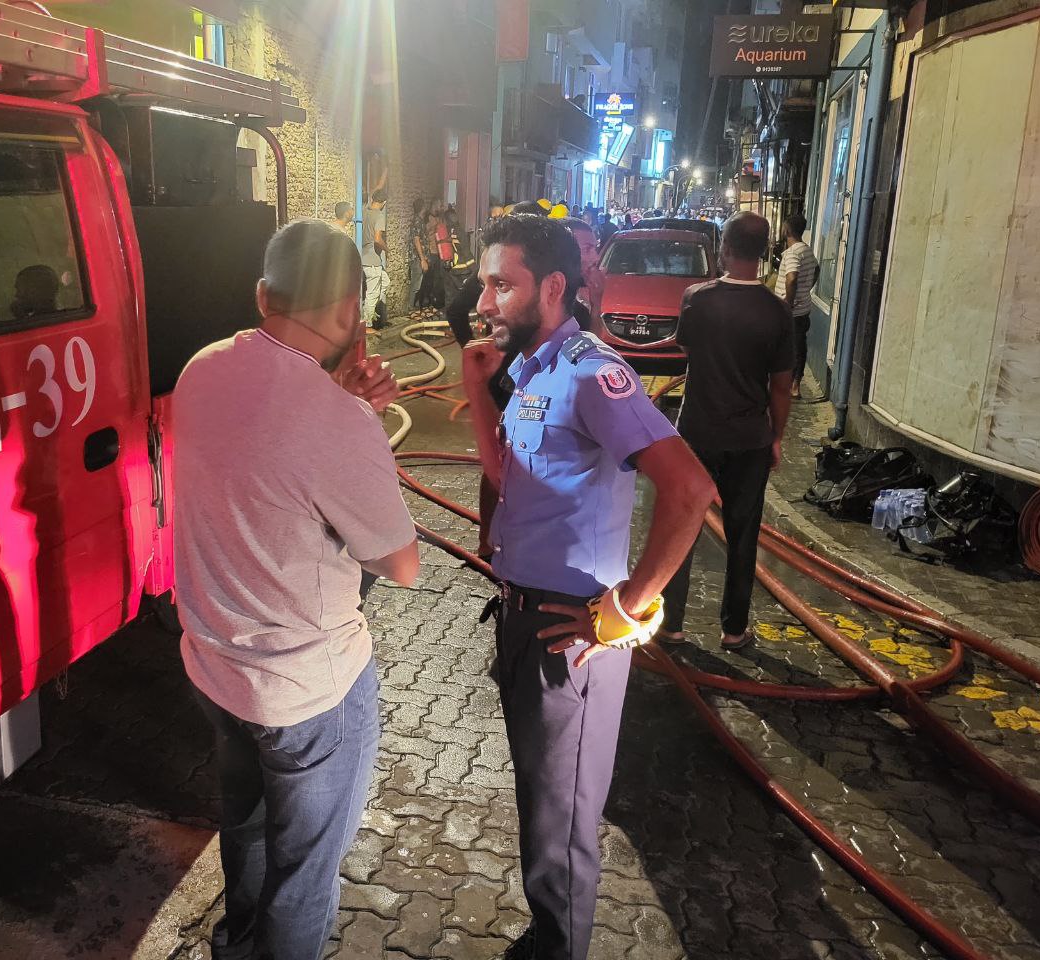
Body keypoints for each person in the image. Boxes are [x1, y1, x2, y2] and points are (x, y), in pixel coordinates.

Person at [462, 214, 715, 960]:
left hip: (568, 634)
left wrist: (625, 610)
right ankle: (547, 936)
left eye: (499, 285)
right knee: (543, 810)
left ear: (551, 287)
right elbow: (509, 478)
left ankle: (560, 947)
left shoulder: (593, 372)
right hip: (519, 618)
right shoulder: (534, 370)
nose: (484, 302)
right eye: (483, 284)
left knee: (562, 826)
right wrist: (477, 389)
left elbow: (690, 491)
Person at [174, 219, 420, 960]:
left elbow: (268, 459)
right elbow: (400, 563)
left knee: (245, 832)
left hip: (215, 667)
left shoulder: (200, 370)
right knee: (305, 877)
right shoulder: (336, 419)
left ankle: (234, 949)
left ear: (262, 295)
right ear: (351, 309)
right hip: (307, 692)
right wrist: (357, 421)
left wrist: (346, 407)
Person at [658, 212, 795, 653]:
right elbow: (780, 385)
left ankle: (671, 625)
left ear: (725, 248)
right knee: (742, 536)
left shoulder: (697, 298)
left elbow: (686, 347)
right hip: (750, 440)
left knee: (681, 528)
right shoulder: (777, 311)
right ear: (763, 252)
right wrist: (775, 437)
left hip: (697, 433)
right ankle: (734, 630)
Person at [773, 214, 819, 398]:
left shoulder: (793, 252)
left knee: (786, 349)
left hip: (790, 312)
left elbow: (791, 278)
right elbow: (816, 269)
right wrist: (806, 288)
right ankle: (795, 385)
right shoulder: (806, 250)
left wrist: (788, 303)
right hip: (803, 309)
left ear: (788, 230)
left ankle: (788, 385)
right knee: (799, 347)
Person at [361, 188, 390, 330]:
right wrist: (386, 249)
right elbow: (377, 239)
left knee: (385, 282)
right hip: (372, 260)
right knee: (372, 293)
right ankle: (367, 324)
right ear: (384, 202)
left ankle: (369, 312)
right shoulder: (379, 216)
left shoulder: (364, 212)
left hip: (363, 257)